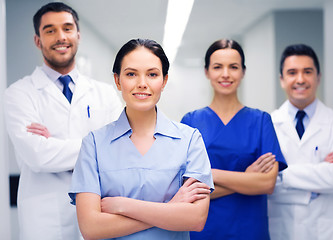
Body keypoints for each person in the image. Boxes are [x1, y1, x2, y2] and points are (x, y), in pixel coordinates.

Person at [68, 38, 214, 239]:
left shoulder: (189, 140)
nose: (142, 84)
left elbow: (196, 219)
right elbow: (91, 228)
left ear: (164, 81)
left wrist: (123, 205)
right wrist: (171, 208)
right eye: (131, 74)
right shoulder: (93, 144)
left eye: (152, 74)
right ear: (118, 81)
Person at [3, 2, 122, 239]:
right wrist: (98, 146)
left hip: (99, 210)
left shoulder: (105, 93)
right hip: (45, 219)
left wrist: (54, 144)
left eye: (67, 28)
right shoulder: (18, 94)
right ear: (38, 40)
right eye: (50, 30)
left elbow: (120, 148)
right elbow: (37, 156)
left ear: (78, 34)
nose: (61, 37)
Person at [181, 39, 287, 240]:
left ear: (243, 72)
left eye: (234, 67)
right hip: (204, 231)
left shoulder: (261, 121)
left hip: (249, 231)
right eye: (217, 67)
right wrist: (246, 178)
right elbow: (186, 191)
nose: (226, 74)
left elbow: (267, 184)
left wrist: (209, 174)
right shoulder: (191, 121)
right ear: (207, 72)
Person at [268, 44, 333, 240]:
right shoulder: (269, 124)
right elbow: (265, 183)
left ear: (318, 77)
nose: (300, 79)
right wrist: (318, 174)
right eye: (292, 72)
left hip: (326, 230)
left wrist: (280, 174)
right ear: (282, 79)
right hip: (282, 229)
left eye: (307, 72)